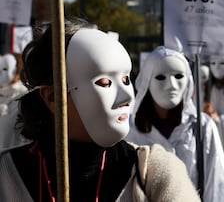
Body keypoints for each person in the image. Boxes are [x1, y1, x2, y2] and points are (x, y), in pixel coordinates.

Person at [0, 19, 200, 202]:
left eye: (126, 80)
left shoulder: (157, 173)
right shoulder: (5, 176)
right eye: (105, 83)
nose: (127, 96)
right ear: (53, 97)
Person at [126, 46, 224, 202]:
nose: (171, 84)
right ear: (147, 81)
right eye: (160, 77)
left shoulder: (202, 127)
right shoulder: (129, 129)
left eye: (178, 76)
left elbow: (217, 185)